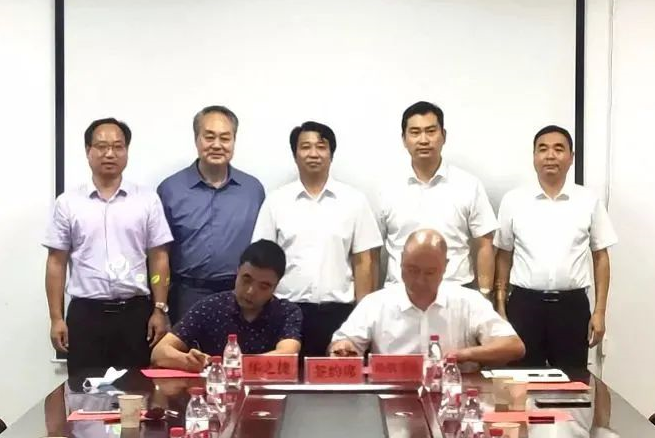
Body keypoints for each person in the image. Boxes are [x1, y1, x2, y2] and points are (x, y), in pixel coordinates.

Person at [44, 118, 173, 375]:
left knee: (137, 391)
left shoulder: (147, 200)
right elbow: (56, 263)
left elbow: (159, 258)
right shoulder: (68, 203)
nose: (110, 154)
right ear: (88, 151)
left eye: (118, 146)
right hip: (86, 315)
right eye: (102, 146)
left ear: (127, 151)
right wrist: (56, 318)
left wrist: (159, 309)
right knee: (83, 392)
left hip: (135, 314)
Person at [251, 121, 382, 357]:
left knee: (337, 377)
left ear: (331, 154)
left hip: (340, 314)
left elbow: (365, 261)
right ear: (295, 155)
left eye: (321, 147)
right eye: (305, 147)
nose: (313, 153)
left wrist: (362, 316)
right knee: (286, 376)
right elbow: (262, 260)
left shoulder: (354, 201)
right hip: (285, 312)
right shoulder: (276, 201)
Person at [494, 125, 617, 368]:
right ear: (534, 157)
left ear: (571, 157)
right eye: (543, 149)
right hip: (524, 306)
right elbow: (503, 256)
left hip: (571, 307)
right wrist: (500, 308)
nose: (550, 155)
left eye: (559, 149)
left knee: (572, 382)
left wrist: (600, 312)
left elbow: (600, 257)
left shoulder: (588, 201)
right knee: (521, 381)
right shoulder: (514, 200)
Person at [329, 229, 524, 365]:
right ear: (401, 262)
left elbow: (514, 346)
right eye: (412, 270)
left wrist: (465, 355)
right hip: (391, 392)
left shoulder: (468, 301)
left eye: (430, 272)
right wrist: (343, 347)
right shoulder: (376, 303)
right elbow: (342, 344)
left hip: (453, 393)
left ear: (445, 266)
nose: (420, 281)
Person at [157, 105, 265, 323]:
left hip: (240, 295)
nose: (217, 145)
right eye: (209, 137)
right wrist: (160, 308)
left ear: (234, 141)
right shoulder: (170, 189)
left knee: (237, 346)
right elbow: (160, 254)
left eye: (225, 138)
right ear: (196, 140)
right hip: (186, 294)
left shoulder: (253, 190)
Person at [378, 101, 498, 296]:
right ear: (404, 139)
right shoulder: (388, 188)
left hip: (456, 294)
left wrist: (484, 294)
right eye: (415, 132)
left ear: (444, 136)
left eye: (431, 131)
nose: (424, 140)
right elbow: (371, 251)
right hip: (399, 296)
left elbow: (485, 243)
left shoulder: (468, 185)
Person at [151, 240, 302, 371]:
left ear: (276, 286)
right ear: (237, 272)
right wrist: (188, 361)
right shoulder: (210, 307)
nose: (250, 291)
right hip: (216, 389)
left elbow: (288, 355)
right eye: (246, 280)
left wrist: (232, 366)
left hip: (266, 391)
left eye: (263, 286)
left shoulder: (287, 312)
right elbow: (159, 352)